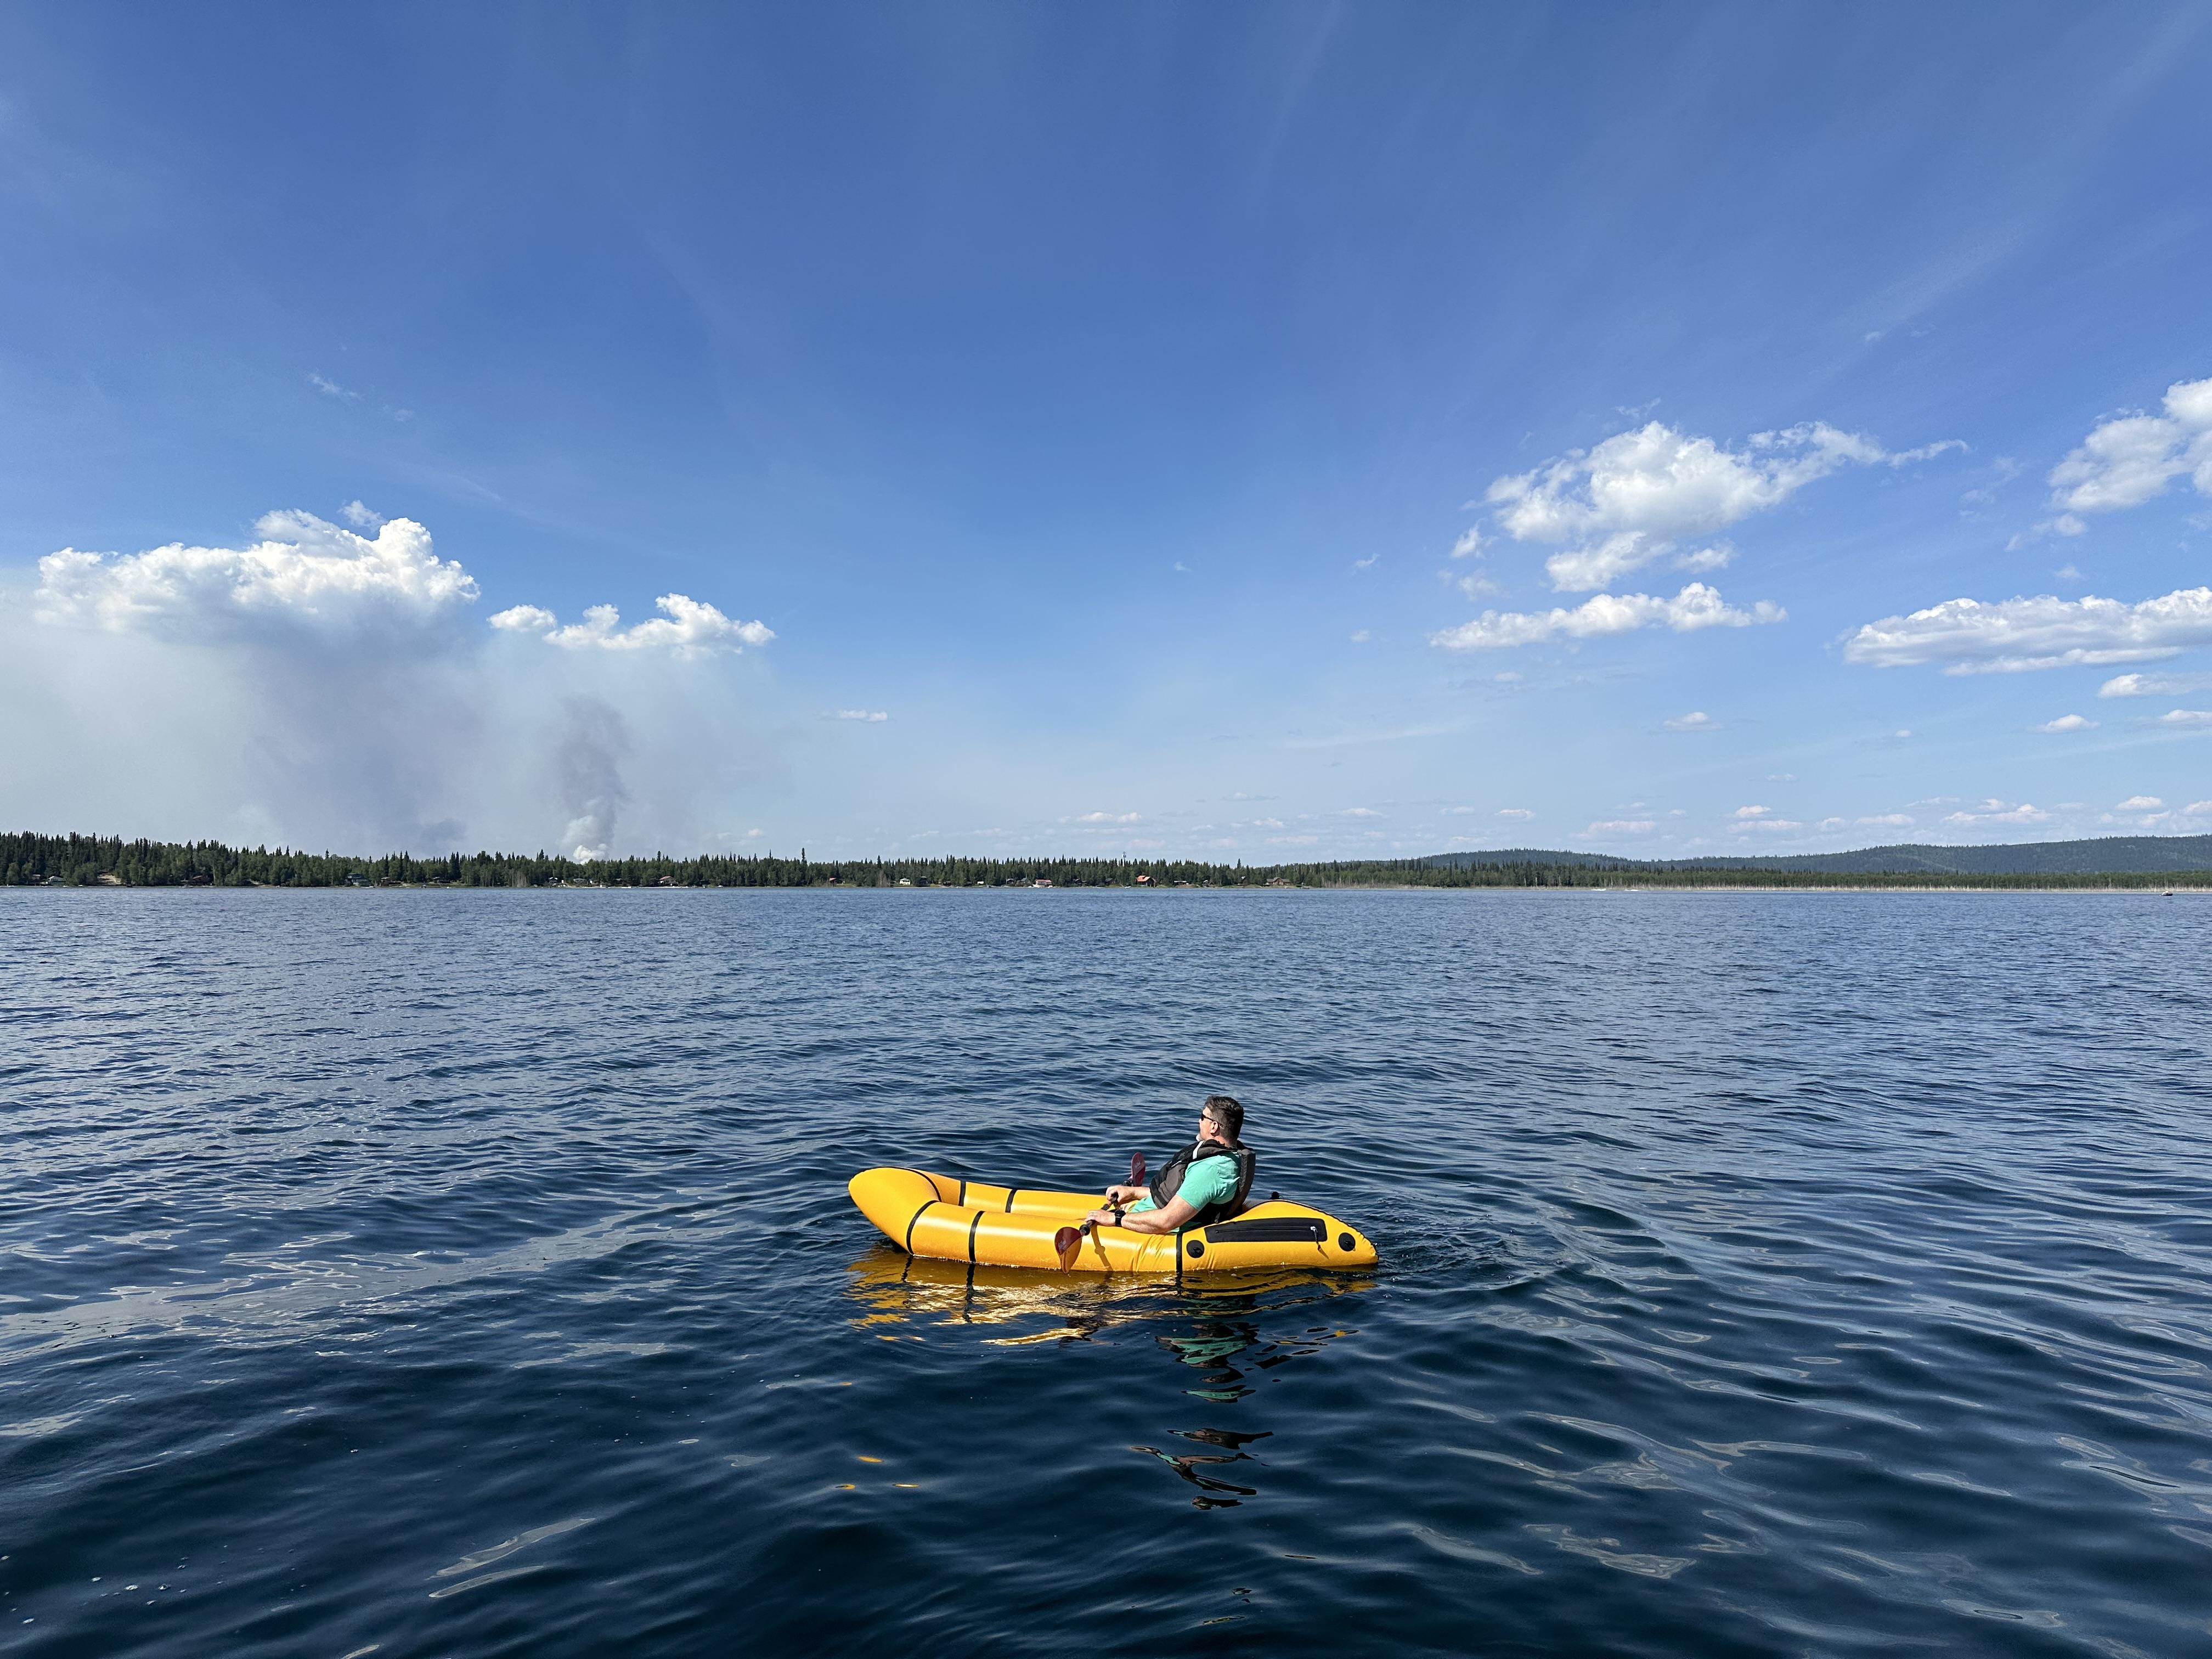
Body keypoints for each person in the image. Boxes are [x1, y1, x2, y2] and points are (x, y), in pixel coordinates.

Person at [1086, 1094, 1254, 1234]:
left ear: (1214, 1127)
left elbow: (1166, 1221)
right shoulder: (1228, 1158)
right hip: (1140, 1215)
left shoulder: (1211, 1170)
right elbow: (1183, 1196)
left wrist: (1115, 1218)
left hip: (1145, 1230)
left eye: (1203, 1117)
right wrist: (1133, 1192)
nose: (1199, 1121)